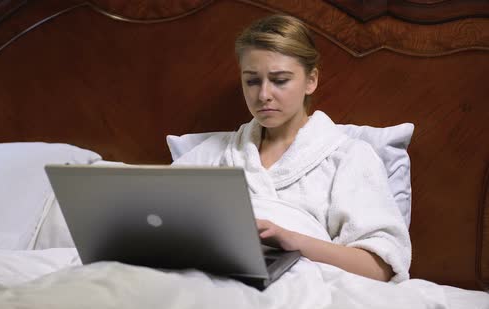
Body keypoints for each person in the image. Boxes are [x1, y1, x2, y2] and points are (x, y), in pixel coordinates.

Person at [173, 15, 411, 283]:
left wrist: (292, 240)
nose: (263, 94)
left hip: (305, 284)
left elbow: (381, 267)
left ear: (311, 80)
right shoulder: (216, 153)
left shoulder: (349, 157)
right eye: (252, 81)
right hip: (208, 280)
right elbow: (156, 218)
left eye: (280, 80)